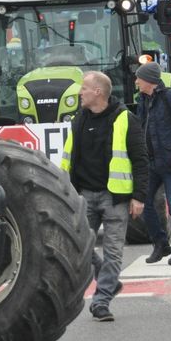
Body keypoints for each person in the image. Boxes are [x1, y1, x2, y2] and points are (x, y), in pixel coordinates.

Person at [61, 71, 148, 322]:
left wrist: (139, 197)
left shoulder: (124, 119)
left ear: (98, 92)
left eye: (84, 88)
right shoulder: (78, 120)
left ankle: (101, 301)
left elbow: (141, 161)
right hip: (84, 196)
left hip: (115, 198)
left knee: (113, 252)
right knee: (79, 246)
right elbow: (68, 160)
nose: (80, 92)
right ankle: (107, 279)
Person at [135, 60, 171, 265]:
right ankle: (161, 244)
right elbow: (141, 127)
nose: (136, 82)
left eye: (139, 78)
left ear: (149, 81)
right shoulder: (142, 99)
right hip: (151, 162)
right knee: (144, 203)